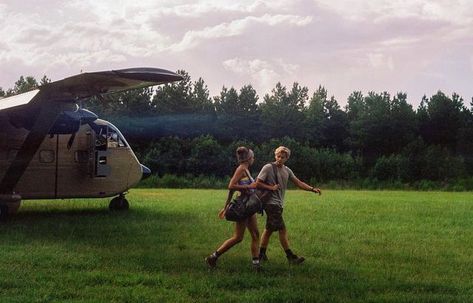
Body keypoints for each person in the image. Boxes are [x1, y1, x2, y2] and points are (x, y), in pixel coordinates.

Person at [206, 147, 276, 269]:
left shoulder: (245, 169)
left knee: (255, 234)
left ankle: (256, 265)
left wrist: (226, 205)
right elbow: (231, 185)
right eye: (253, 157)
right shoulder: (241, 169)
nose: (253, 159)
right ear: (249, 158)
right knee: (238, 237)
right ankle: (213, 257)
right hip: (243, 206)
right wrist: (249, 186)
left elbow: (235, 189)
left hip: (249, 206)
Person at [256, 146, 321, 265]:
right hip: (271, 203)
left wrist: (312, 189)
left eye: (282, 157)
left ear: (287, 158)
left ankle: (261, 254)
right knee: (282, 230)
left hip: (279, 204)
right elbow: (257, 183)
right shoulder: (268, 167)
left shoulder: (287, 170)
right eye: (278, 156)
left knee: (269, 230)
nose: (279, 159)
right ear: (275, 155)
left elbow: (298, 183)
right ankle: (291, 257)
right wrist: (271, 187)